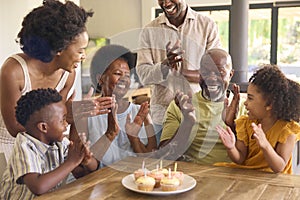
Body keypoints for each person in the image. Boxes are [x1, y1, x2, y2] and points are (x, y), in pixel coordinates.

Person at [0, 0, 113, 162]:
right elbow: (15, 128)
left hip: (45, 146)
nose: (84, 57)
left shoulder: (68, 74)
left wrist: (75, 112)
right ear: (60, 48)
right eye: (80, 51)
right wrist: (68, 115)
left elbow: (56, 117)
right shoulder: (13, 71)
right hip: (10, 149)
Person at [136, 0, 222, 144]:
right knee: (163, 164)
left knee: (196, 165)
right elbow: (143, 75)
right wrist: (165, 65)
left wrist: (180, 72)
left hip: (200, 114)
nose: (166, 2)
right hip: (161, 115)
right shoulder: (149, 31)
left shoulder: (207, 26)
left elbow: (216, 72)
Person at [0, 88, 99, 200]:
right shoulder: (25, 145)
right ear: (43, 127)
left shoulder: (60, 143)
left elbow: (80, 174)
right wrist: (72, 162)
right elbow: (38, 187)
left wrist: (87, 160)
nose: (66, 124)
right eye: (62, 120)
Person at [159, 48, 241, 164]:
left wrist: (232, 125)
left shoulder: (244, 106)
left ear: (231, 74)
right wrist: (187, 122)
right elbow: (164, 156)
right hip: (193, 177)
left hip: (234, 176)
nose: (212, 78)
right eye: (206, 72)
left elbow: (250, 156)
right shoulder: (183, 105)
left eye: (219, 72)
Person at [216, 64, 300, 174]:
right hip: (248, 175)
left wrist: (265, 145)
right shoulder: (245, 123)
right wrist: (231, 147)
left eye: (250, 98)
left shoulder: (287, 130)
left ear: (269, 104)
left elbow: (279, 168)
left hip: (275, 182)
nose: (245, 103)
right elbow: (240, 158)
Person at [83, 44, 157, 167]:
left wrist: (134, 138)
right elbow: (86, 166)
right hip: (101, 183)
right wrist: (110, 134)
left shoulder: (139, 112)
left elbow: (151, 160)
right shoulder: (87, 114)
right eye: (117, 73)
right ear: (100, 78)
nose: (124, 79)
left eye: (127, 75)